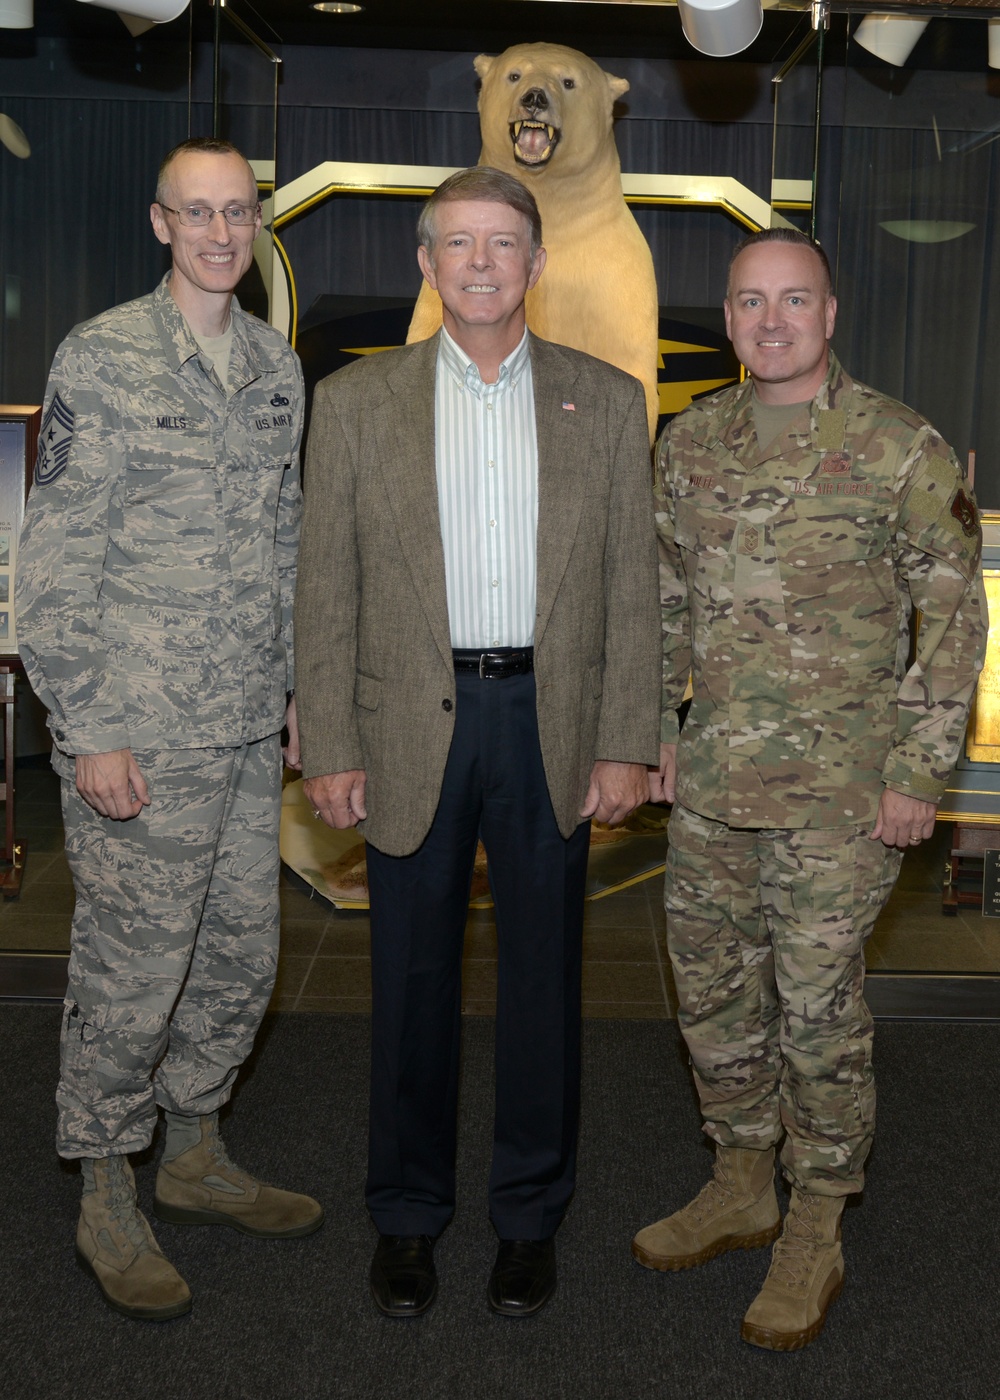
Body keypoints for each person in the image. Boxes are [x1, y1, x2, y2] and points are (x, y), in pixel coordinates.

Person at [295, 167, 660, 1319]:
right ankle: (406, 1216)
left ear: (537, 263)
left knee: (545, 984)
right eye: (459, 243)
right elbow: (326, 590)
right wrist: (331, 741)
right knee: (409, 985)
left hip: (548, 718)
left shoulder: (603, 402)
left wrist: (625, 741)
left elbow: (631, 596)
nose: (483, 263)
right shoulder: (355, 406)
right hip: (408, 715)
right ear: (427, 264)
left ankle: (527, 1217)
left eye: (504, 243)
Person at [633, 226, 987, 1349]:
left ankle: (818, 1218)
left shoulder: (896, 445)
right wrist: (657, 726)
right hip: (717, 783)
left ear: (829, 315)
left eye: (794, 300)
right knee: (713, 991)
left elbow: (951, 618)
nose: (771, 320)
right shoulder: (689, 442)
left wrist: (918, 773)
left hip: (845, 795)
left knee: (818, 1009)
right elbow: (664, 597)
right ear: (728, 318)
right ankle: (742, 1176)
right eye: (749, 302)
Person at [16, 137, 322, 1323]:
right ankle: (104, 1181)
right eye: (195, 213)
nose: (216, 232)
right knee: (131, 973)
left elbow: (286, 545)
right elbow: (53, 567)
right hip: (137, 736)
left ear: (256, 225)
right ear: (159, 223)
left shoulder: (274, 368)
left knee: (237, 959)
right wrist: (86, 726)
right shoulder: (101, 357)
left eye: (236, 212)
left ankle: (192, 1151)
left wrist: (299, 695)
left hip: (245, 732)